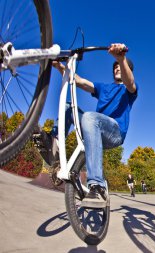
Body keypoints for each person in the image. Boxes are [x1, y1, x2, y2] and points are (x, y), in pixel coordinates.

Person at [37, 43, 137, 208]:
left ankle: (97, 186)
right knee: (69, 107)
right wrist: (60, 67)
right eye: (115, 67)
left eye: (120, 67)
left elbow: (130, 82)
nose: (117, 68)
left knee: (91, 117)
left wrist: (121, 58)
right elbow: (80, 81)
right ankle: (53, 144)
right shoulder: (104, 88)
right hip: (93, 127)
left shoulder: (129, 90)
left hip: (115, 133)